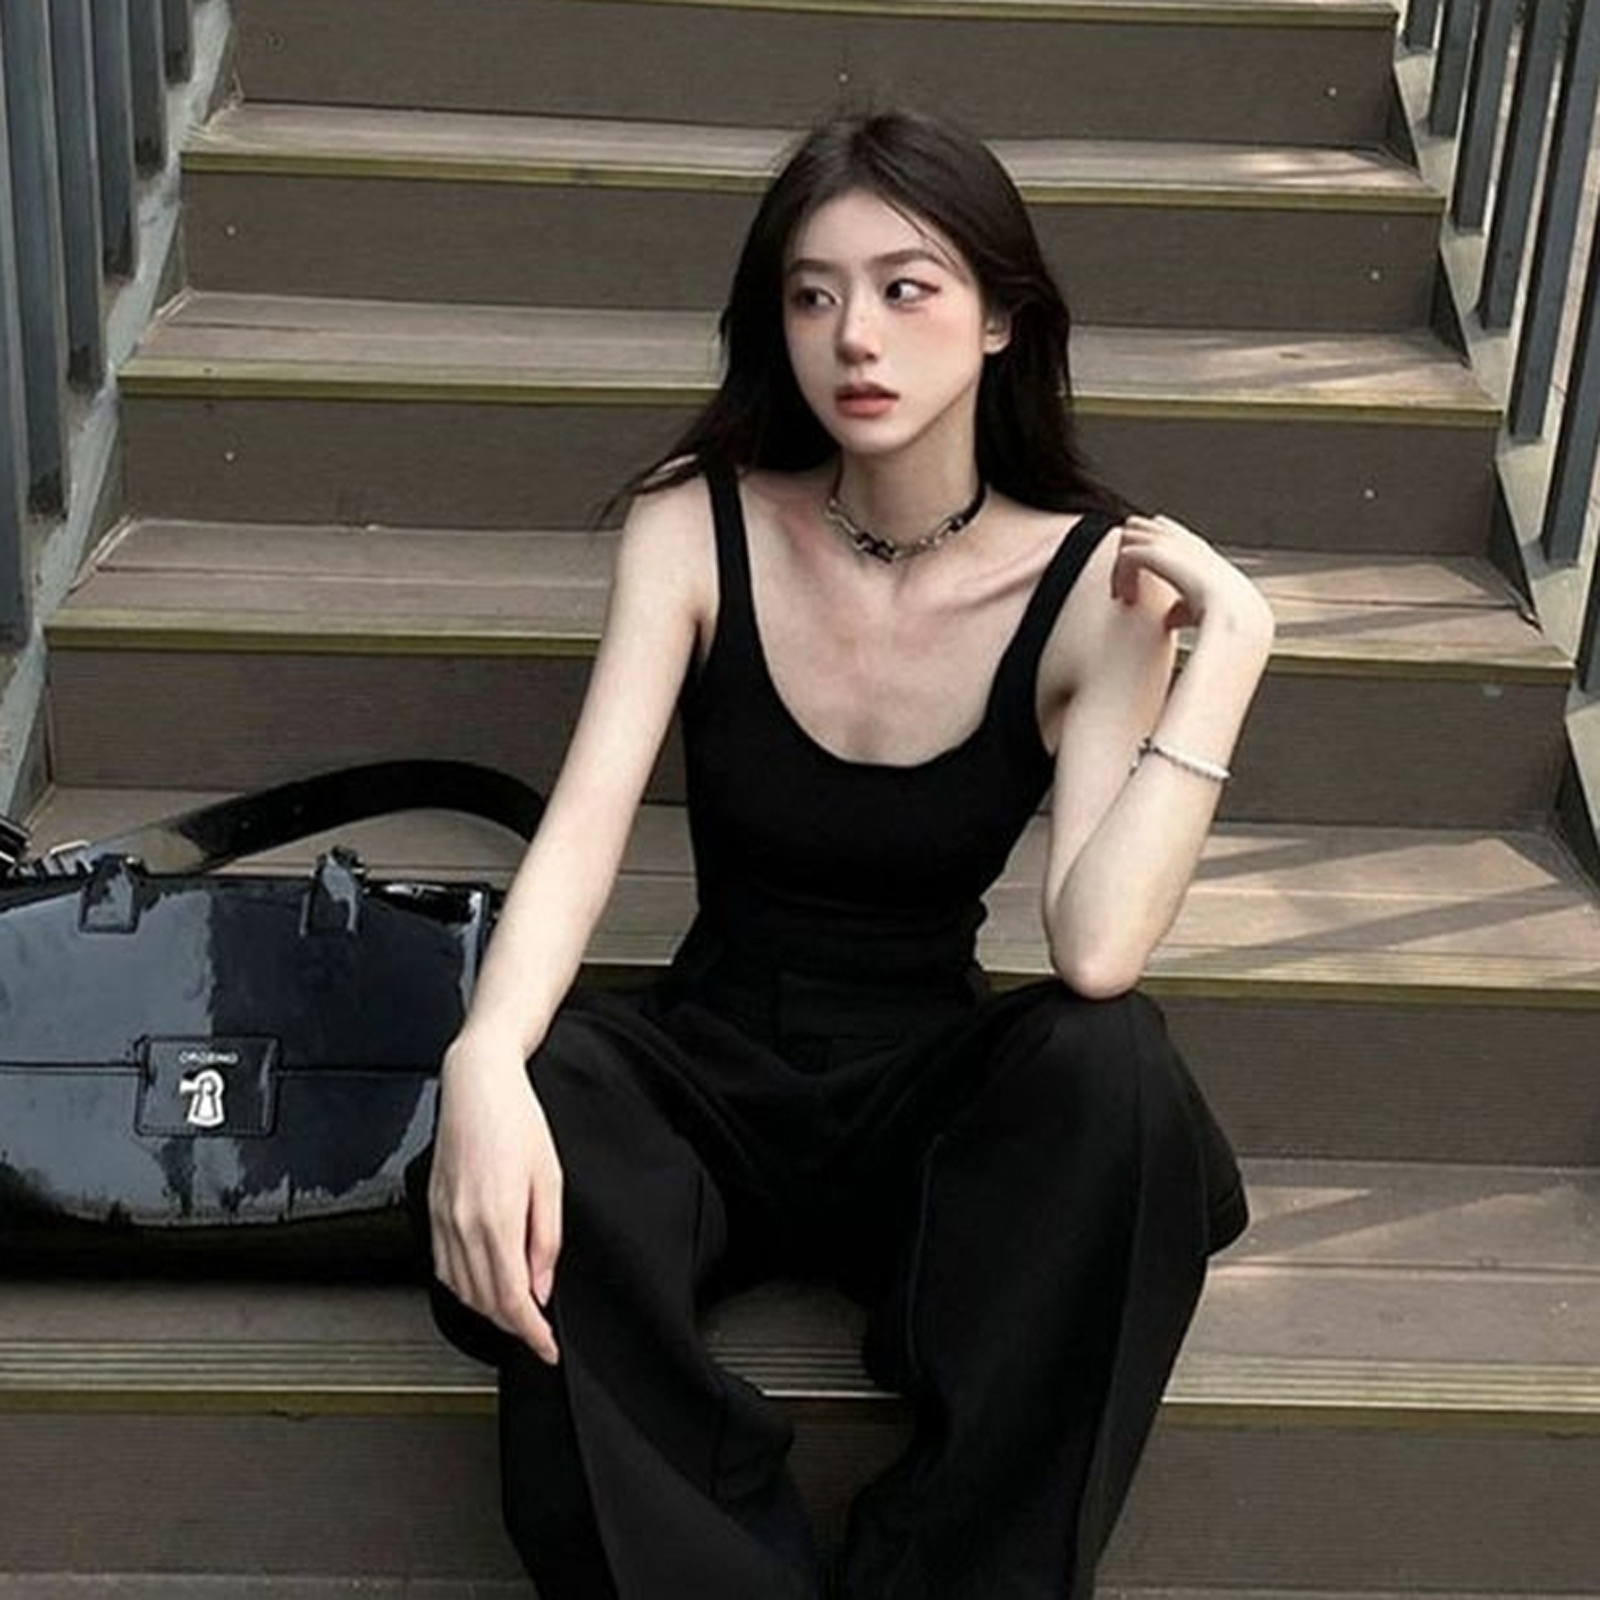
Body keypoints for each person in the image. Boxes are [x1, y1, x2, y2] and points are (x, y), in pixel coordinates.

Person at [420, 109, 1275, 1600]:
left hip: (920, 1100)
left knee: (1115, 1068)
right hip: (713, 1061)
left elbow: (1095, 948)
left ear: (1000, 318)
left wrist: (1230, 660)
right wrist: (482, 1058)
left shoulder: (1096, 582)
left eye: (904, 288)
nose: (853, 337)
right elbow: (585, 827)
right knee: (552, 1084)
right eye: (812, 295)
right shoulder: (697, 525)